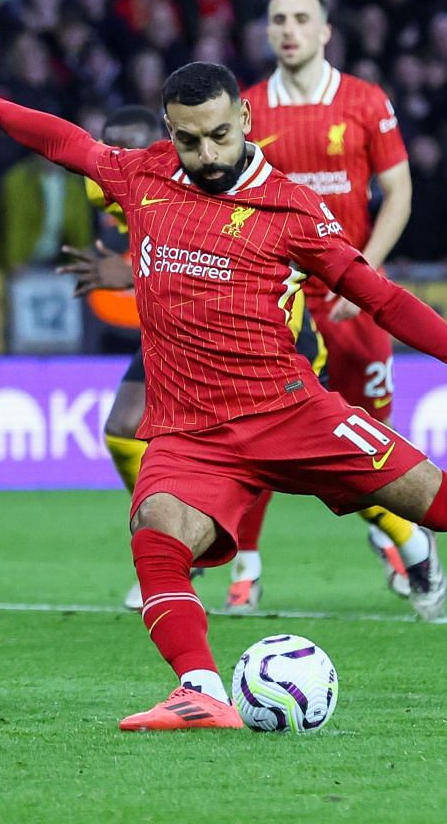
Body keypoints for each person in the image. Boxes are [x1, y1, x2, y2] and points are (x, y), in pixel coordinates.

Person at [0, 62, 447, 731]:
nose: (205, 153)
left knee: (446, 506)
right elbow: (58, 137)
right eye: (187, 138)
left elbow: (380, 296)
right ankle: (200, 689)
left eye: (219, 135)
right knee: (155, 532)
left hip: (292, 413)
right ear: (168, 131)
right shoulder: (139, 174)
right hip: (191, 430)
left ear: (244, 117)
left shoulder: (293, 207)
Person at [59, 105, 350, 612]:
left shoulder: (207, 174)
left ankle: (408, 542)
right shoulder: (103, 181)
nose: (121, 154)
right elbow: (162, 241)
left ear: (167, 143)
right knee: (123, 425)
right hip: (180, 324)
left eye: (133, 143)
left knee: (336, 477)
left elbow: (215, 246)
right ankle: (176, 547)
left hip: (265, 325)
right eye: (113, 143)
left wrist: (126, 269)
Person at [229, 0, 435, 616]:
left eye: (300, 18)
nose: (287, 29)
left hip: (353, 298)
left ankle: (393, 533)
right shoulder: (248, 110)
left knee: (370, 433)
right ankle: (246, 568)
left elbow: (399, 192)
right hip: (276, 301)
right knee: (255, 430)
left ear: (324, 31)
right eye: (277, 18)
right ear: (267, 31)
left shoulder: (366, 101)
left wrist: (364, 275)